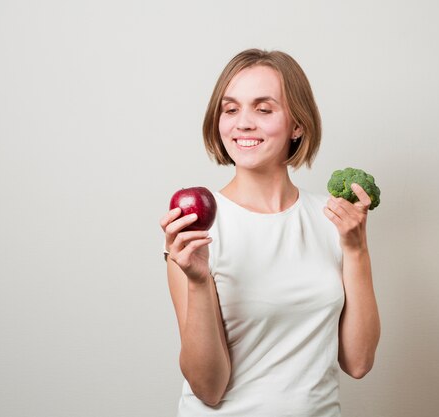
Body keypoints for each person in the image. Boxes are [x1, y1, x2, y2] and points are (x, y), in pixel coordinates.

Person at [159, 48, 380, 416]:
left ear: (298, 124)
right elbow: (208, 388)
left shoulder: (332, 219)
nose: (243, 123)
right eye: (230, 109)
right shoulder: (196, 229)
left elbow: (358, 362)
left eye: (263, 109)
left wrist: (356, 248)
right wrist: (198, 280)